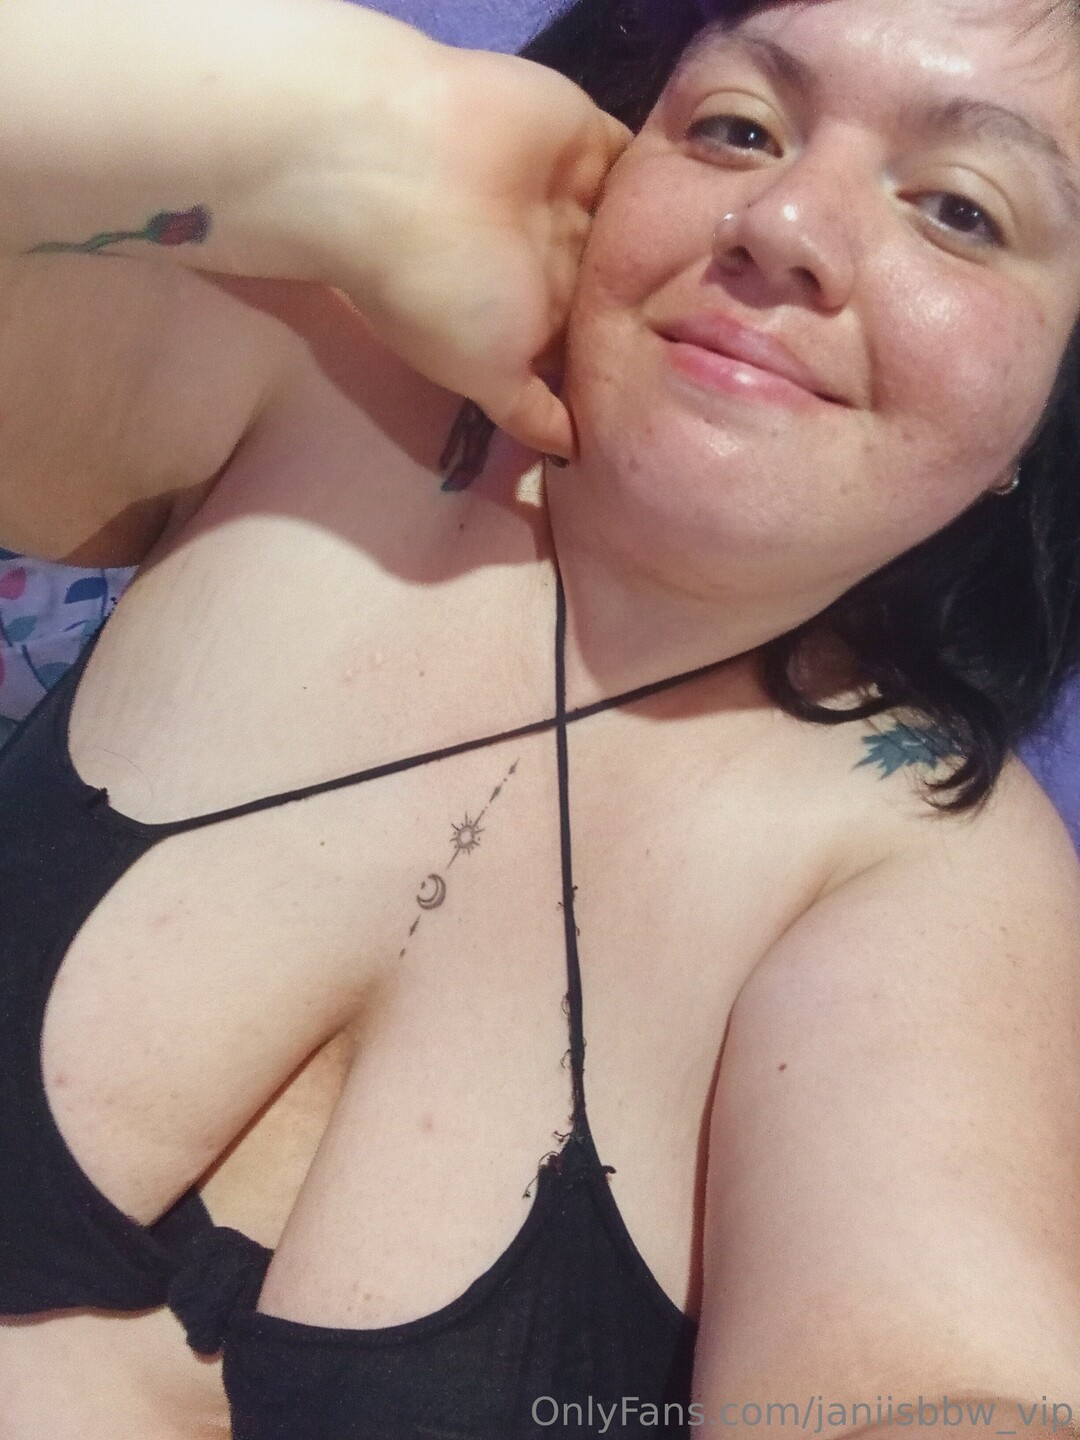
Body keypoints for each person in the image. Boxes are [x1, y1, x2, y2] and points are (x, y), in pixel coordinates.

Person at [2, 0, 1080, 1436]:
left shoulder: (929, 866)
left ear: (1043, 417)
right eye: (737, 126)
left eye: (960, 210)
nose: (785, 224)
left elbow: (944, 1375)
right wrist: (344, 123)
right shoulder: (312, 386)